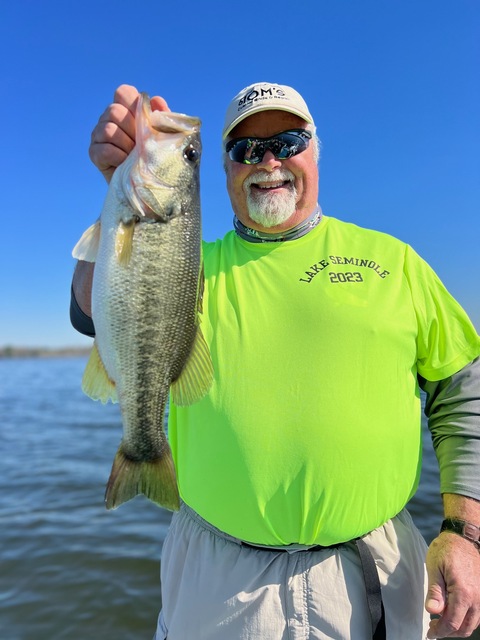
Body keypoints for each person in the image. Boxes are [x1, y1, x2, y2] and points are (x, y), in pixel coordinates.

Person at [71, 82, 480, 640]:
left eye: (287, 142)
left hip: (377, 570)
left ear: (315, 150)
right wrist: (114, 187)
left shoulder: (397, 263)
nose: (268, 162)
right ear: (224, 169)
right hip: (217, 581)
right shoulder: (192, 264)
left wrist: (464, 530)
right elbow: (94, 310)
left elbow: (463, 391)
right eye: (245, 150)